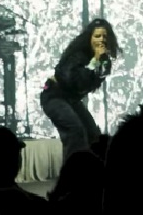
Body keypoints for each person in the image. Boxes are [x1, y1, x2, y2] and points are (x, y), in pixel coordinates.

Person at [41, 18, 120, 163]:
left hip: (72, 99)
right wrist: (94, 61)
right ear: (89, 38)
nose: (101, 40)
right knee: (75, 129)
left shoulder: (104, 62)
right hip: (54, 95)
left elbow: (89, 85)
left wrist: (99, 64)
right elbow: (73, 81)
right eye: (97, 36)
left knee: (93, 135)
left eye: (104, 36)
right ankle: (71, 174)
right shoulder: (77, 54)